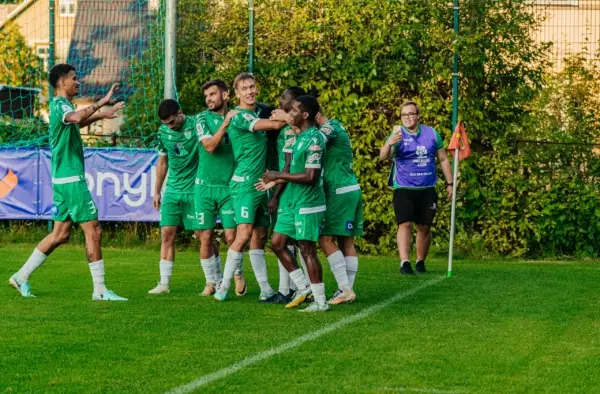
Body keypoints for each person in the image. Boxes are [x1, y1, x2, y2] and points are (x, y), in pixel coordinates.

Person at [9, 63, 127, 301]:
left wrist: (102, 115)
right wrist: (102, 101)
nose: (78, 82)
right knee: (93, 231)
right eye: (74, 78)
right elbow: (75, 117)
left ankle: (20, 276)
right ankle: (101, 290)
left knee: (60, 234)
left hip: (63, 178)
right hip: (72, 179)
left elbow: (75, 122)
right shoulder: (61, 105)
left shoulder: (61, 107)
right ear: (62, 82)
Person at [213, 73, 287, 301]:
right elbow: (275, 124)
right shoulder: (239, 118)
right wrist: (290, 114)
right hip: (244, 185)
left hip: (260, 184)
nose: (250, 91)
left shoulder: (254, 112)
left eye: (252, 87)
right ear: (236, 93)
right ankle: (223, 287)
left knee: (260, 235)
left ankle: (266, 291)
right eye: (244, 88)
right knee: (243, 235)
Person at [259, 95, 329, 312]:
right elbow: (293, 170)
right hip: (292, 200)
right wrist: (275, 181)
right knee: (277, 243)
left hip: (308, 201)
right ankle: (302, 286)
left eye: (295, 111)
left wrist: (278, 174)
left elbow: (311, 177)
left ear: (305, 115)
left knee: (307, 249)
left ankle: (320, 301)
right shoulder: (299, 138)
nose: (290, 114)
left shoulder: (315, 139)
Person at [378, 101, 453, 274]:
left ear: (418, 116)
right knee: (404, 224)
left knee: (424, 226)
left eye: (411, 114)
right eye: (404, 115)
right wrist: (389, 143)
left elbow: (443, 159)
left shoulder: (432, 134)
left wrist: (450, 184)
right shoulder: (397, 134)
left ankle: (420, 261)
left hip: (427, 187)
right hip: (404, 187)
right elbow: (383, 156)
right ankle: (405, 262)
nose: (408, 118)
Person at [195, 79, 246, 296]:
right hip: (204, 187)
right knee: (205, 236)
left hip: (228, 187)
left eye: (213, 94)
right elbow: (209, 147)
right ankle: (211, 282)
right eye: (207, 96)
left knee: (231, 236)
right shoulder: (201, 118)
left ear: (225, 95)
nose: (209, 99)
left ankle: (237, 274)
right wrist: (226, 123)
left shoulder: (239, 117)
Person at [148, 99, 204, 294]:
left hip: (195, 190)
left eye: (172, 122)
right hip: (172, 190)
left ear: (180, 113)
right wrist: (157, 191)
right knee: (166, 235)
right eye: (166, 124)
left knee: (203, 236)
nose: (170, 126)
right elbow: (162, 162)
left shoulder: (197, 125)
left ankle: (214, 280)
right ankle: (164, 284)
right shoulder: (163, 133)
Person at [261, 86, 310, 304]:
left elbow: (289, 166)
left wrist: (275, 194)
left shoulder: (293, 130)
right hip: (289, 188)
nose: (279, 101)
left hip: (292, 190)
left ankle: (304, 288)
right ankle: (287, 289)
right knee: (288, 241)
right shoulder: (288, 128)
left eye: (284, 98)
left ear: (295, 103)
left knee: (295, 242)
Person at [316, 113, 361, 304]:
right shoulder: (337, 126)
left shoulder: (330, 127)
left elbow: (315, 141)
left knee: (325, 239)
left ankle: (344, 289)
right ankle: (346, 291)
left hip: (339, 190)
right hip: (349, 187)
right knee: (346, 241)